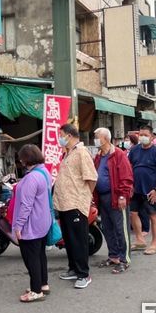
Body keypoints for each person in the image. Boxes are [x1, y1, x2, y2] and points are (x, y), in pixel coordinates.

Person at [54, 124, 97, 289]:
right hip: (64, 204)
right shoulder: (68, 153)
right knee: (69, 240)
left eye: (62, 135)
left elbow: (92, 178)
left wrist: (84, 196)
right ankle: (73, 268)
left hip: (76, 204)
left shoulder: (81, 152)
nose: (60, 138)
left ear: (70, 135)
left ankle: (83, 274)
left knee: (79, 241)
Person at [12, 144, 52, 302]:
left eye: (21, 158)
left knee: (31, 257)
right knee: (40, 254)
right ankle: (43, 284)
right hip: (42, 221)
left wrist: (19, 226)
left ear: (26, 159)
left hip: (31, 224)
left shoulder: (31, 178)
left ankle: (36, 290)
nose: (20, 161)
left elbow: (26, 206)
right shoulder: (43, 172)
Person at [92, 127, 134, 273]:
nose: (95, 139)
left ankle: (124, 259)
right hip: (102, 197)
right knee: (107, 228)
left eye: (97, 137)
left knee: (120, 229)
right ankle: (114, 256)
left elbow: (126, 177)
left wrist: (123, 195)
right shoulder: (98, 156)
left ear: (105, 139)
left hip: (116, 196)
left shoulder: (118, 154)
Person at [127, 125, 156, 256]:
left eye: (145, 135)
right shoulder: (134, 150)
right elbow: (130, 167)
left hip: (151, 191)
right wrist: (130, 184)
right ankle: (140, 240)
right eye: (141, 135)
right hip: (135, 189)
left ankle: (155, 243)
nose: (142, 137)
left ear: (152, 137)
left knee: (153, 216)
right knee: (133, 213)